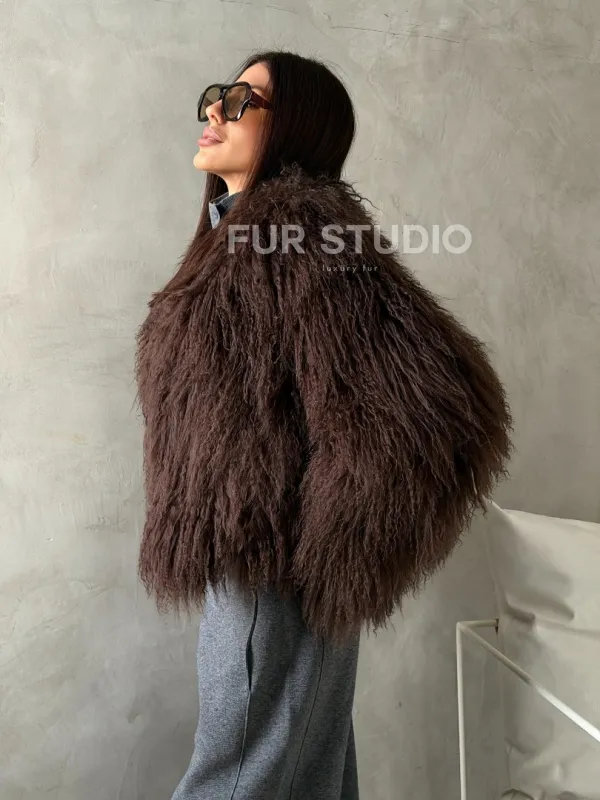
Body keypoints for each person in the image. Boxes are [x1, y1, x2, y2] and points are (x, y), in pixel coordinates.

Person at [134, 50, 514, 799]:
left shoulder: (299, 232)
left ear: (296, 126)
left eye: (240, 100)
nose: (213, 110)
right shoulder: (239, 238)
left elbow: (434, 403)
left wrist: (328, 551)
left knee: (237, 779)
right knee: (311, 773)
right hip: (263, 560)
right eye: (216, 95)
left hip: (271, 567)